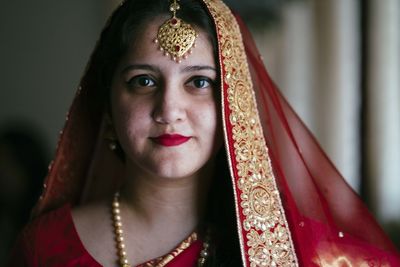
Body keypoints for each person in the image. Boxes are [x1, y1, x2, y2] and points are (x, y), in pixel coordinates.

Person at [8, 0, 400, 266]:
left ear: (235, 107)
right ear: (108, 108)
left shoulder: (300, 252)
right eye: (143, 81)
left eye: (199, 83)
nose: (169, 110)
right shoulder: (46, 247)